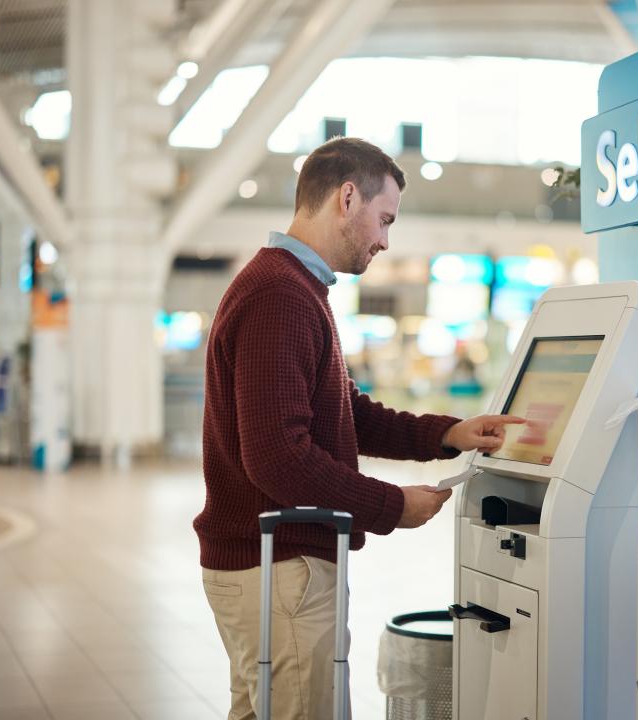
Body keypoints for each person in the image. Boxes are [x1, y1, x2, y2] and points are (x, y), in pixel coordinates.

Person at [194, 137, 523, 720]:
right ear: (348, 197)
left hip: (271, 564)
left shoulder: (296, 289)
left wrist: (449, 434)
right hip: (280, 567)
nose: (384, 239)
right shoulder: (281, 295)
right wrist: (390, 505)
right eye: (384, 218)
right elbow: (277, 457)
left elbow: (351, 416)